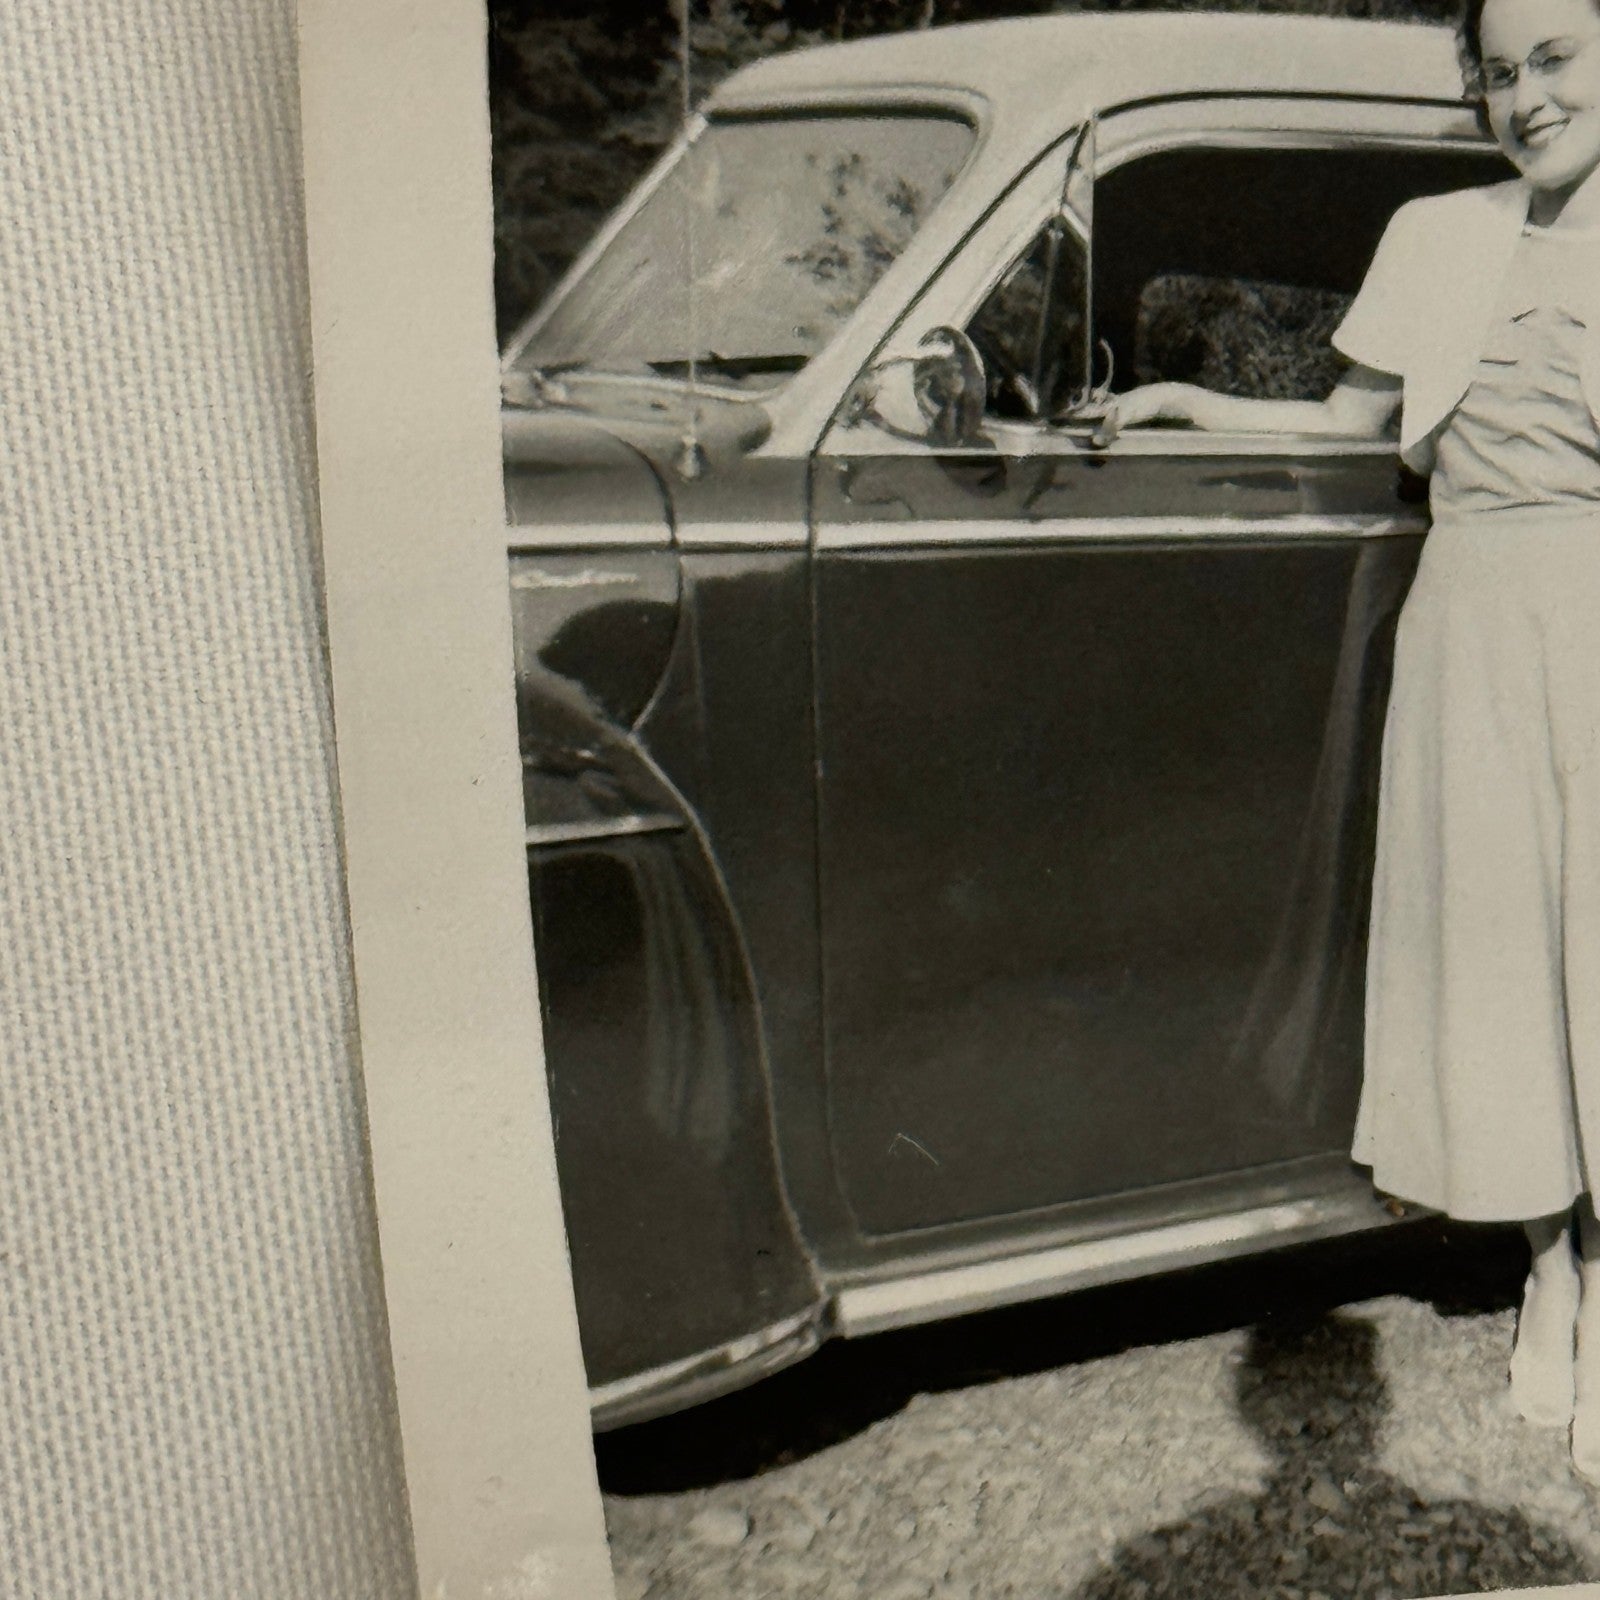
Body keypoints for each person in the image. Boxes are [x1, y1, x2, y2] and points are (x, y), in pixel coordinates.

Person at [1092, 0, 1600, 1480]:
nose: (1526, 96)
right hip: (1477, 618)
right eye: (1499, 73)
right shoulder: (1440, 233)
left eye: (1558, 58)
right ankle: (1550, 1273)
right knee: (1506, 951)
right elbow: (1354, 417)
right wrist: (1193, 400)